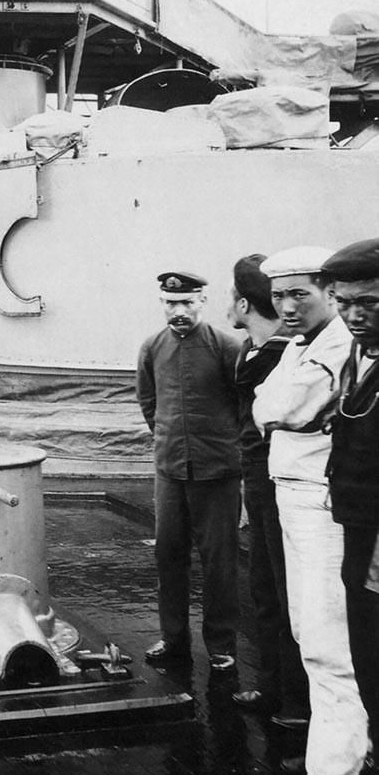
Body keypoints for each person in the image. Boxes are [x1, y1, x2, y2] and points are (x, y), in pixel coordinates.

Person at [253, 246, 368, 775]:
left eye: (301, 293)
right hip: (295, 499)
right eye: (278, 295)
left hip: (323, 506)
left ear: (327, 292)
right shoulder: (303, 345)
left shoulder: (338, 346)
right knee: (309, 634)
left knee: (329, 647)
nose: (287, 306)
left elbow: (277, 406)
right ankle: (342, 748)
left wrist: (277, 409)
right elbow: (266, 409)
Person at [136, 271, 243, 670]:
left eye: (186, 303)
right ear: (162, 304)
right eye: (170, 303)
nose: (178, 311)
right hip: (170, 471)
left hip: (218, 472)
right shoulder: (152, 348)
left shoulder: (227, 347)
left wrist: (223, 449)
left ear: (202, 302)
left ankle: (221, 643)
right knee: (169, 555)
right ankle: (173, 638)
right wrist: (170, 441)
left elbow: (242, 406)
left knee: (219, 560)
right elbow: (149, 403)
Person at [226, 255, 309, 726]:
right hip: (256, 480)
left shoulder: (281, 354)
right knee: (263, 588)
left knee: (287, 590)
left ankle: (298, 703)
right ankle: (274, 687)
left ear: (242, 301)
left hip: (278, 480)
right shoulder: (252, 351)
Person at [321, 238, 379, 742]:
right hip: (356, 524)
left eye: (369, 303)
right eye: (343, 303)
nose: (354, 315)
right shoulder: (359, 354)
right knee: (364, 647)